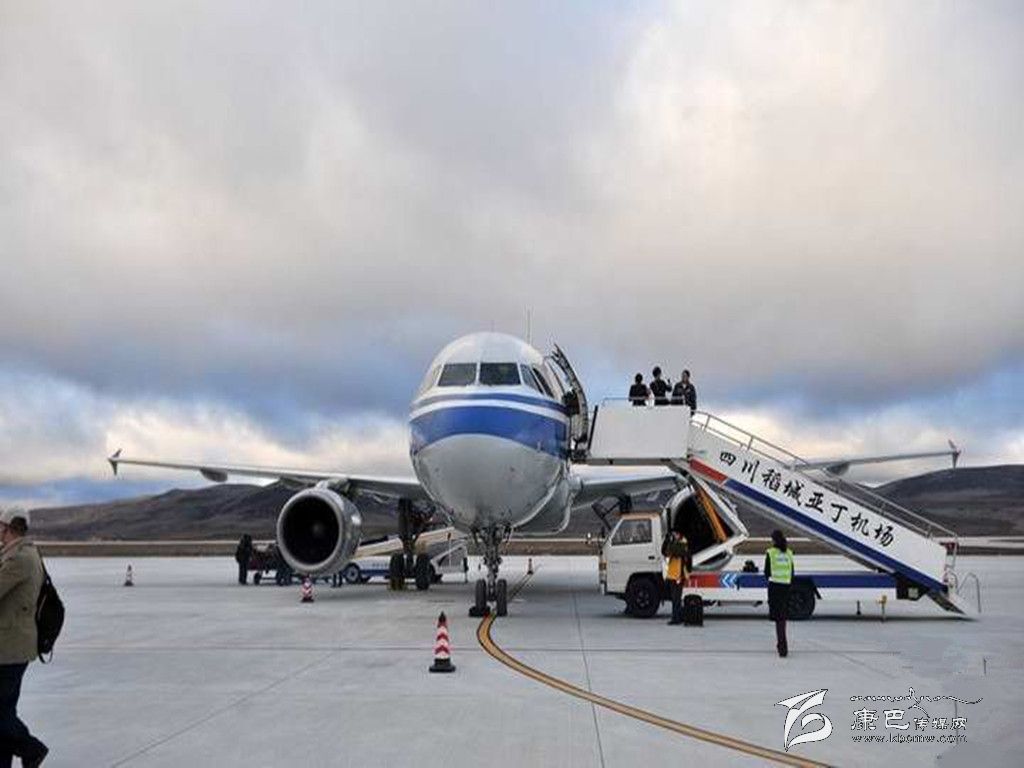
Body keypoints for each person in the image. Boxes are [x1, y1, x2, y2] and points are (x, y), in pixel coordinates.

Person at [0, 509, 49, 768]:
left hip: (10, 648)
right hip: (9, 645)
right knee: (4, 712)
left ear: (7, 527)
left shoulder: (20, 557)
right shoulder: (16, 553)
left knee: (1, 714)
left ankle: (32, 748)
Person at [764, 529, 794, 657]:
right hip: (786, 587)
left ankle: (782, 647)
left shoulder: (771, 553)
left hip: (775, 587)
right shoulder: (789, 553)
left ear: (773, 540)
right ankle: (782, 645)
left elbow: (767, 572)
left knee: (778, 618)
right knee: (783, 618)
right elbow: (792, 572)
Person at [662, 529, 691, 625]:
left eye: (675, 533)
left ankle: (676, 618)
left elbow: (675, 551)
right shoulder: (675, 542)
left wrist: (671, 541)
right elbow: (664, 552)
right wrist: (666, 541)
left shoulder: (682, 543)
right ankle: (677, 617)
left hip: (679, 575)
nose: (674, 535)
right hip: (672, 575)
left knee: (676, 598)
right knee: (675, 598)